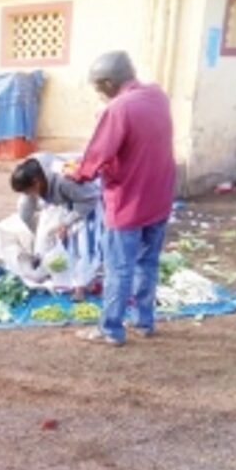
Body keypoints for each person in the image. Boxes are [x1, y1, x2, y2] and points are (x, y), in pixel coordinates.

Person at [68, 51, 175, 347]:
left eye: (98, 87)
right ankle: (143, 321)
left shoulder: (119, 108)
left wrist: (76, 174)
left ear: (108, 82)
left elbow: (97, 156)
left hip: (129, 199)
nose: (98, 93)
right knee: (148, 262)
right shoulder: (157, 96)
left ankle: (111, 329)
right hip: (160, 194)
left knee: (119, 267)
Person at [11, 152, 103, 299]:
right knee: (57, 236)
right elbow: (27, 209)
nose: (29, 194)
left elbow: (90, 199)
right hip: (67, 196)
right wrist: (31, 234)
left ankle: (82, 284)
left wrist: (66, 222)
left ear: (36, 183)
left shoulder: (65, 180)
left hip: (88, 196)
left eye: (29, 191)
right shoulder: (30, 173)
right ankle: (64, 276)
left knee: (84, 241)